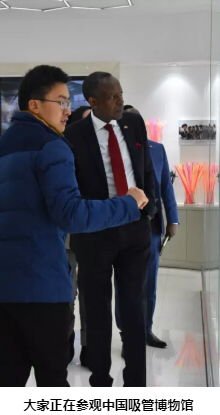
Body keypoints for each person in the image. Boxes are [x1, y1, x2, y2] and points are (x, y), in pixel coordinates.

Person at [0, 65, 148, 387]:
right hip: (39, 284)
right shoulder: (53, 146)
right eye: (61, 102)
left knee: (9, 374)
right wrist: (128, 204)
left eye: (69, 102)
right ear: (35, 105)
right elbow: (71, 214)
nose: (68, 110)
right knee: (53, 378)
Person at [64, 72, 156, 387]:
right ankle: (100, 380)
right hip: (95, 235)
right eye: (112, 97)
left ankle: (136, 384)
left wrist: (149, 212)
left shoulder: (133, 124)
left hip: (134, 232)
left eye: (121, 94)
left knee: (133, 310)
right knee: (97, 311)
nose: (120, 101)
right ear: (93, 101)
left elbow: (146, 170)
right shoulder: (73, 135)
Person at [114, 105, 180, 355]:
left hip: (150, 228)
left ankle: (146, 329)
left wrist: (173, 220)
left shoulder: (157, 149)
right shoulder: (114, 150)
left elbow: (166, 188)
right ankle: (126, 334)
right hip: (122, 227)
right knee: (125, 284)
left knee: (149, 282)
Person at [64, 104, 92, 367]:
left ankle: (89, 346)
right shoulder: (62, 153)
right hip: (67, 239)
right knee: (67, 293)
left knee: (91, 294)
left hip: (94, 236)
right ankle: (65, 343)